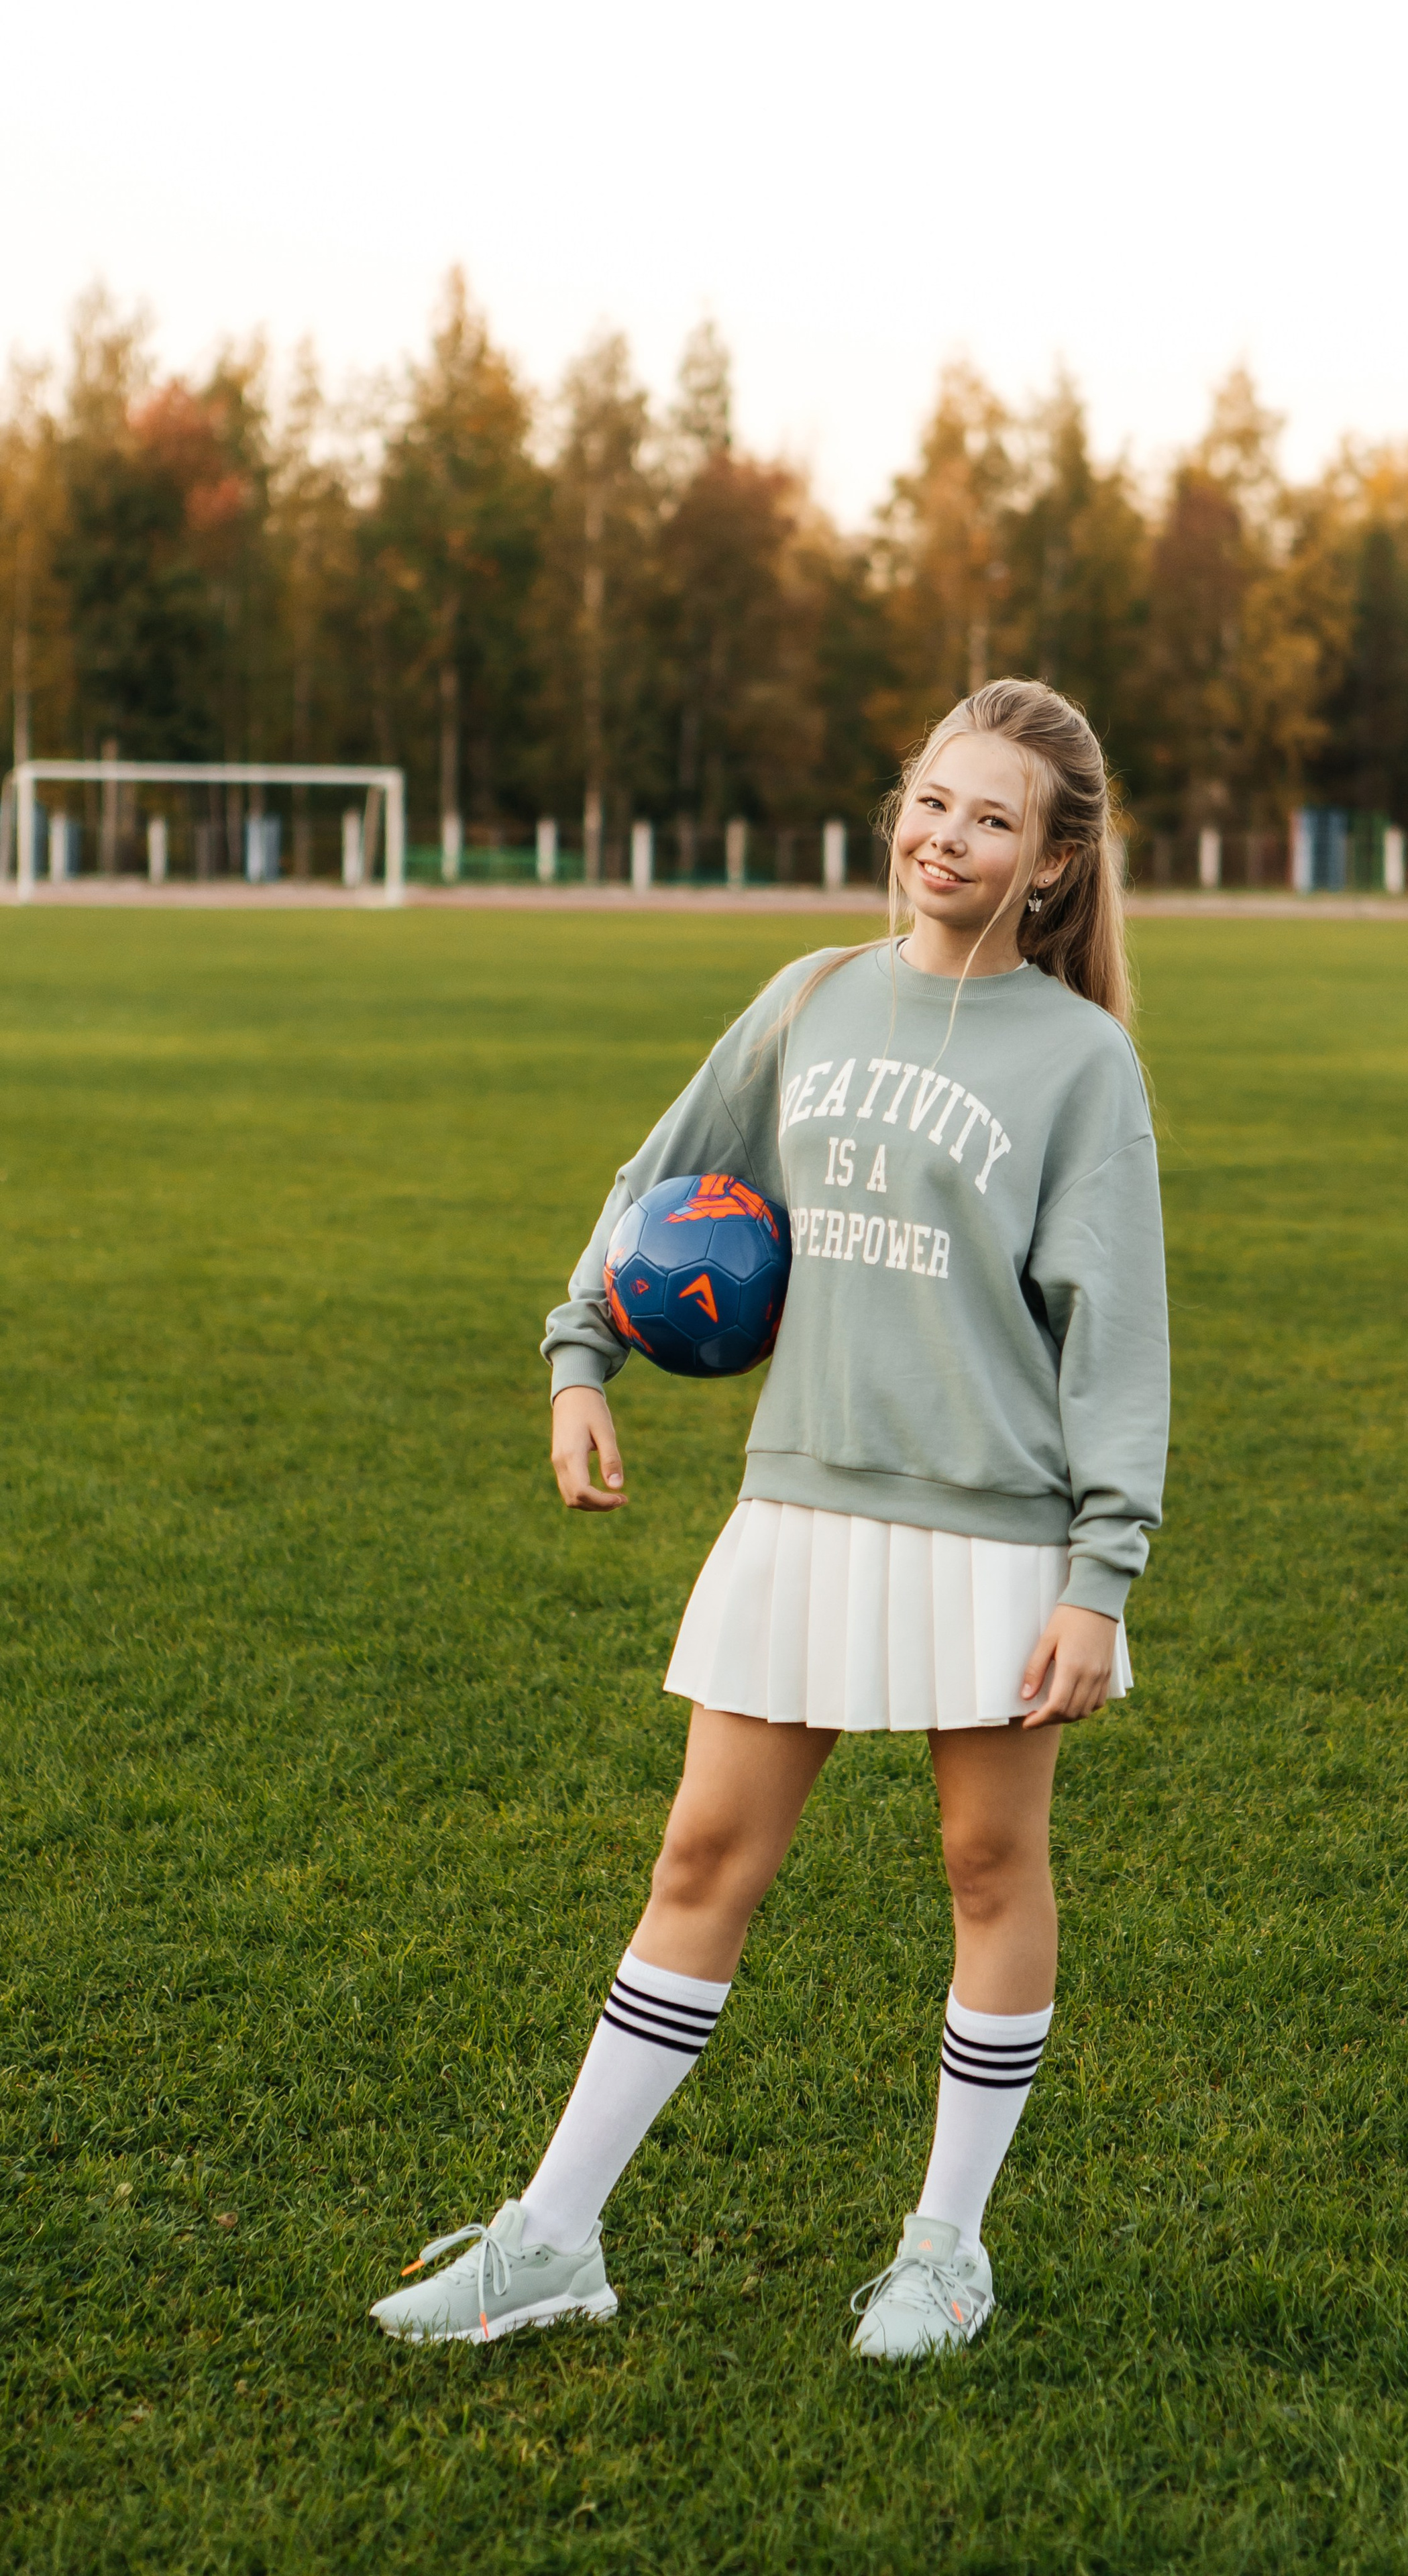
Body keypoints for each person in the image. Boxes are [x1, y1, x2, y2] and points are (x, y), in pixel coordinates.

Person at [370, 678, 1170, 2359]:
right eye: (933, 802)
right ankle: (550, 2239)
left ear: (1047, 867)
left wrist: (1100, 1576)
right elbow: (657, 1174)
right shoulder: (808, 1000)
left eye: (993, 820)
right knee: (700, 1857)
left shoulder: (1079, 1062)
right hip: (801, 1503)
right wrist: (580, 1353)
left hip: (995, 1524)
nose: (946, 838)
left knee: (984, 1862)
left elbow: (1115, 1332)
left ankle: (945, 2249)